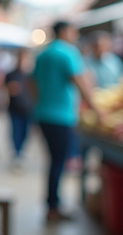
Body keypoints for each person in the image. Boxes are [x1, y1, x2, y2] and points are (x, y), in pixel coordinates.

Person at [30, 21, 100, 222]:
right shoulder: (68, 52)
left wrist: (39, 103)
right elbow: (80, 82)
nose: (75, 35)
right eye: (73, 31)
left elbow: (31, 82)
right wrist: (96, 110)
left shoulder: (42, 54)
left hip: (43, 114)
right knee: (58, 162)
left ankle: (53, 203)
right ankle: (53, 207)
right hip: (61, 117)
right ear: (64, 31)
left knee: (54, 161)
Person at [5, 49, 32, 171]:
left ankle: (21, 152)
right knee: (16, 131)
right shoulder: (11, 74)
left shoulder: (30, 75)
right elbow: (5, 88)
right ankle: (16, 154)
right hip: (14, 108)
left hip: (28, 108)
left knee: (25, 133)